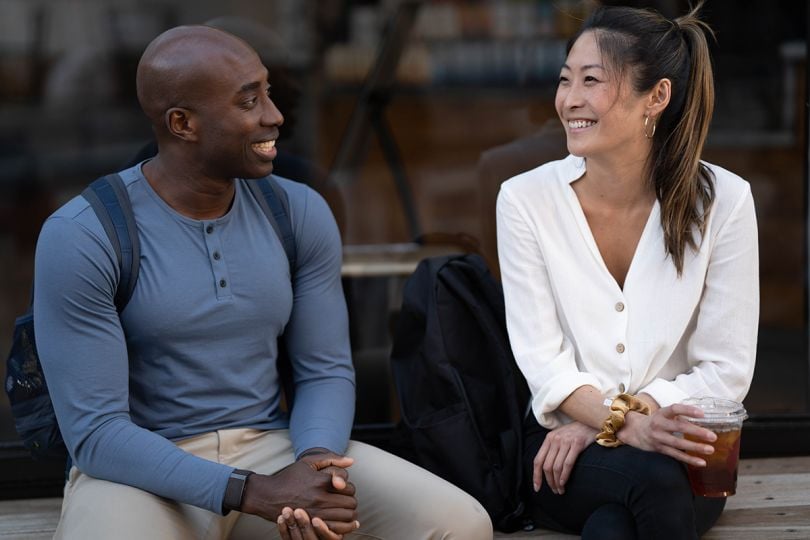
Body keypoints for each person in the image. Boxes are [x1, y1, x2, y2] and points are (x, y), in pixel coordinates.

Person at [34, 25, 492, 539]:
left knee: (460, 524)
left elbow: (323, 369)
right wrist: (252, 491)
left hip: (272, 447)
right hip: (142, 470)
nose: (273, 115)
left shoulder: (296, 211)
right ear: (182, 124)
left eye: (267, 92)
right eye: (248, 101)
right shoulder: (85, 233)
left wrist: (316, 466)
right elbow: (97, 433)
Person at [496, 4, 758, 540]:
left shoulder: (725, 201)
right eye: (565, 80)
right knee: (657, 488)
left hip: (680, 443)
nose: (570, 100)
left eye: (591, 81)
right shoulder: (524, 200)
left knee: (615, 525)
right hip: (556, 447)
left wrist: (619, 421)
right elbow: (543, 362)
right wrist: (622, 424)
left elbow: (725, 370)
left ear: (656, 97)